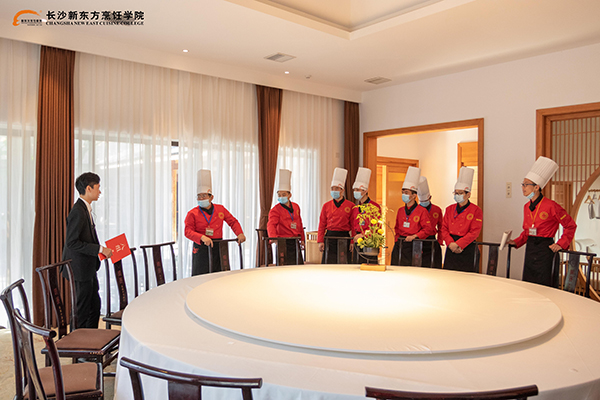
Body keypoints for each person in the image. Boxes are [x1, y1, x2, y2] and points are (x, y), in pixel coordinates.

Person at [508, 156, 577, 286]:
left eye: (526, 184)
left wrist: (561, 243)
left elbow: (570, 225)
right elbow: (527, 232)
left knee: (545, 284)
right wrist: (516, 242)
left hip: (546, 249)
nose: (523, 187)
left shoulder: (551, 206)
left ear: (536, 187)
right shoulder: (526, 207)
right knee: (529, 284)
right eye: (522, 184)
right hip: (531, 248)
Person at [62, 172, 113, 329]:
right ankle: (78, 341)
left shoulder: (85, 208)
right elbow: (72, 242)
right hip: (80, 269)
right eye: (98, 187)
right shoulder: (78, 211)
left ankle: (91, 338)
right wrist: (100, 249)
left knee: (94, 306)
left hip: (88, 267)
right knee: (82, 311)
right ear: (89, 188)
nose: (100, 191)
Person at [184, 169, 246, 275]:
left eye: (204, 196)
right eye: (199, 196)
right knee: (200, 275)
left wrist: (240, 233)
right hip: (201, 246)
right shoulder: (192, 213)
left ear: (211, 197)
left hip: (218, 246)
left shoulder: (220, 209)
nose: (201, 198)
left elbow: (233, 222)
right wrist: (202, 237)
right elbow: (187, 231)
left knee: (219, 274)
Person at [440, 167, 483, 272]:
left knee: (468, 277)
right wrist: (450, 243)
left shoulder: (476, 210)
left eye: (460, 193)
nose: (457, 195)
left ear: (468, 194)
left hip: (467, 247)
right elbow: (444, 228)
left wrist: (459, 244)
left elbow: (474, 232)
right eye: (456, 193)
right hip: (451, 246)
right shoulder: (449, 209)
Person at [391, 167, 434, 266]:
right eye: (403, 192)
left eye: (406, 193)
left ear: (414, 195)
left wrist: (414, 236)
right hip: (400, 243)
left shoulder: (422, 211)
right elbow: (397, 228)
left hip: (415, 244)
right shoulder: (400, 210)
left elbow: (427, 229)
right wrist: (397, 240)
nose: (404, 195)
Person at [267, 169, 305, 265]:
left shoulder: (296, 207)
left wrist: (302, 239)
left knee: (298, 265)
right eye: (279, 195)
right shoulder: (275, 210)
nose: (281, 197)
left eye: (284, 194)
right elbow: (271, 225)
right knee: (284, 266)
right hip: (283, 241)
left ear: (289, 195)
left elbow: (299, 223)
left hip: (295, 240)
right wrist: (273, 238)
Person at [317, 168, 354, 264]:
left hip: (344, 237)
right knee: (329, 263)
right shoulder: (326, 205)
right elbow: (322, 224)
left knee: (344, 262)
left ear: (342, 190)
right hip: (330, 237)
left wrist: (352, 241)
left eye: (336, 188)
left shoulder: (351, 206)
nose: (334, 191)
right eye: (332, 188)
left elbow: (354, 226)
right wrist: (320, 240)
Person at [350, 167, 382, 264]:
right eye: (354, 190)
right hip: (357, 242)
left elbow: (376, 227)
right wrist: (353, 241)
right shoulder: (356, 208)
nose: (355, 192)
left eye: (358, 190)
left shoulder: (375, 207)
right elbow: (353, 226)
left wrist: (363, 235)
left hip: (369, 243)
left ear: (365, 191)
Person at [417, 176, 443, 268]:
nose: (423, 203)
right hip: (419, 240)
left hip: (432, 240)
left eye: (425, 200)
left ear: (430, 197)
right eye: (421, 201)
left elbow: (441, 226)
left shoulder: (437, 209)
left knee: (434, 265)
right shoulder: (416, 210)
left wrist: (440, 240)